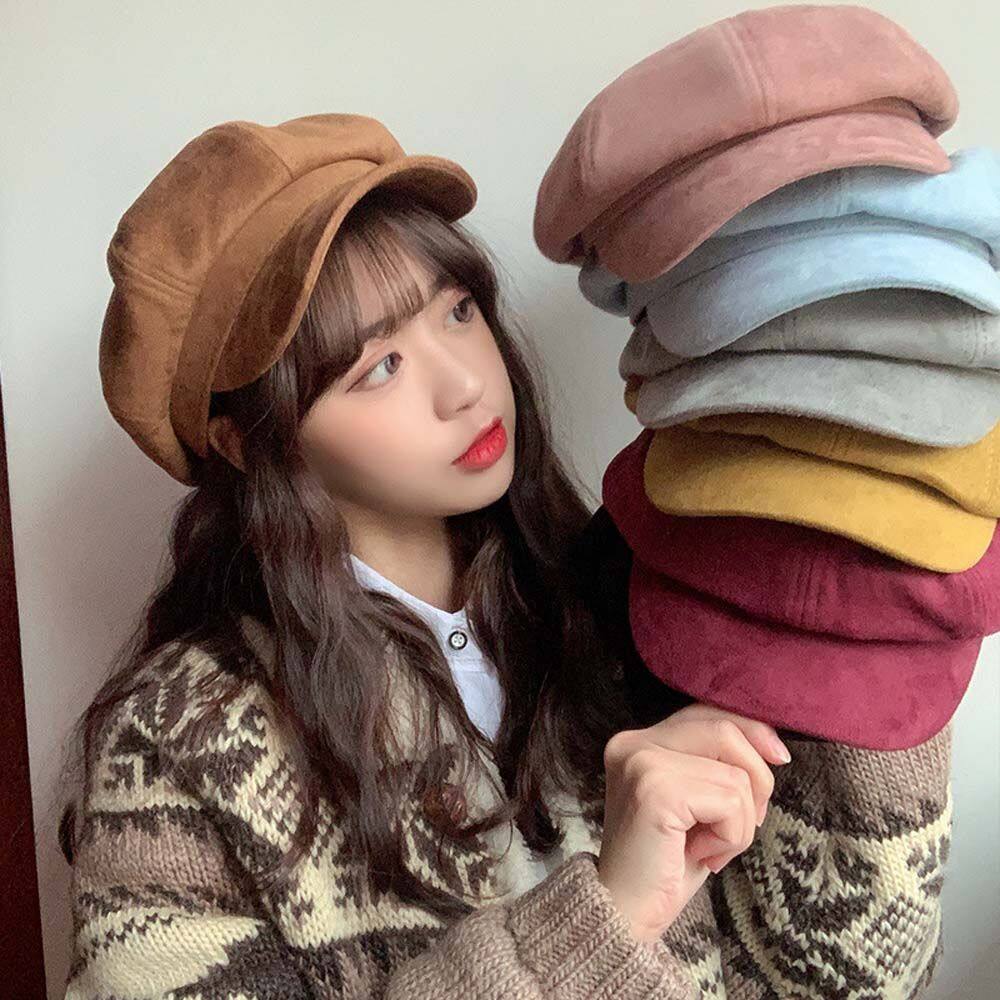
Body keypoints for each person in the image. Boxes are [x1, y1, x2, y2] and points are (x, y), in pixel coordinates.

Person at [57, 114, 951, 999]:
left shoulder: (637, 608)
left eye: (457, 310)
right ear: (248, 441)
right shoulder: (178, 744)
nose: (465, 385)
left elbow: (850, 980)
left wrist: (875, 642)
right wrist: (602, 919)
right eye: (378, 367)